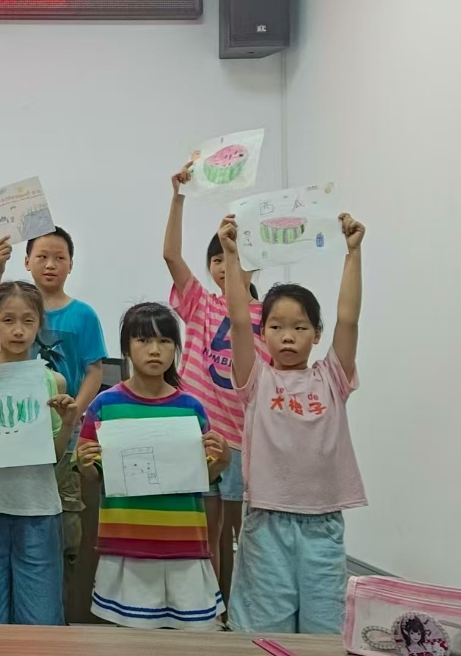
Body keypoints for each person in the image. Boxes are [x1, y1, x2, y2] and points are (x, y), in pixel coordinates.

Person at [222, 212, 367, 634]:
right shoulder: (256, 380)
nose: (288, 336)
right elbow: (237, 319)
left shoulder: (332, 377)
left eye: (300, 327)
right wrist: (232, 255)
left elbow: (349, 319)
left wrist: (352, 254)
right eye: (276, 326)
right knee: (266, 631)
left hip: (322, 523)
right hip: (267, 522)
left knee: (325, 630)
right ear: (263, 332)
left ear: (317, 333)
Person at [75, 302, 231, 630]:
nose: (155, 350)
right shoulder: (104, 405)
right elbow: (92, 476)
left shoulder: (191, 407)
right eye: (143, 340)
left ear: (176, 348)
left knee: (191, 638)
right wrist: (85, 462)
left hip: (184, 546)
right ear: (127, 348)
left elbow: (202, 475)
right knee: (131, 640)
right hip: (127, 546)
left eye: (165, 341)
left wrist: (221, 461)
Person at [0, 227, 106, 605]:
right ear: (27, 261)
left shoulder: (83, 314)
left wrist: (73, 412)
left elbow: (94, 370)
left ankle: (56, 603)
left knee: (64, 514)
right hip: (11, 433)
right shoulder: (13, 308)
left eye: (59, 257)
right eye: (42, 256)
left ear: (71, 265)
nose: (50, 264)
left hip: (62, 429)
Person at [163, 161, 269, 601]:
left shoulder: (269, 318)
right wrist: (178, 196)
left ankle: (242, 609)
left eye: (235, 257)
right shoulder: (200, 304)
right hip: (199, 436)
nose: (225, 266)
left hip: (246, 441)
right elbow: (171, 256)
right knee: (206, 534)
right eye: (218, 259)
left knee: (244, 537)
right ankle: (212, 609)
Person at [0, 280, 76, 625]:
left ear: (39, 324)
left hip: (38, 507)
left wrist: (68, 423)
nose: (18, 330)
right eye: (8, 320)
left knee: (41, 619)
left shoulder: (51, 380)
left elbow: (54, 454)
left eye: (28, 321)